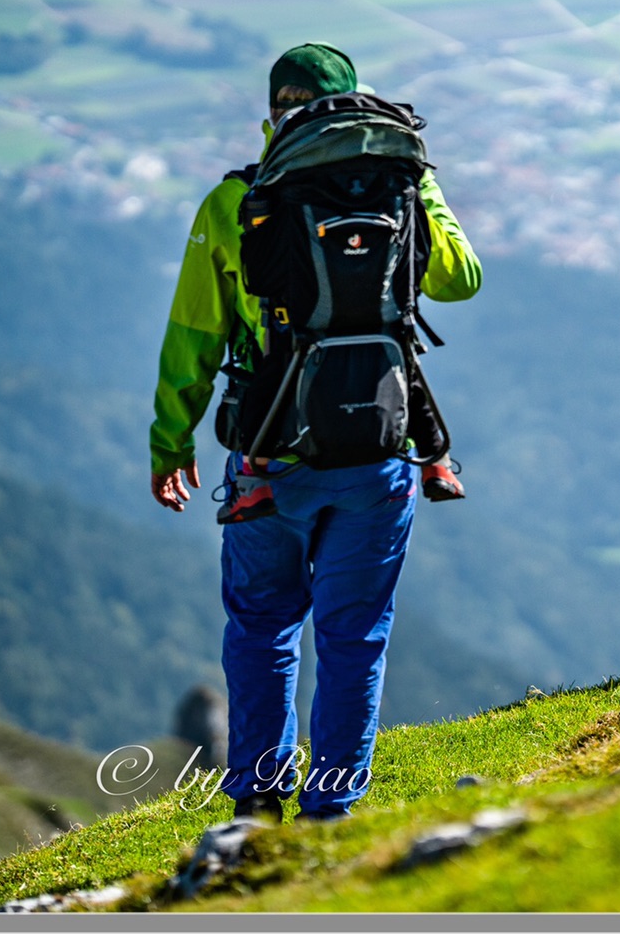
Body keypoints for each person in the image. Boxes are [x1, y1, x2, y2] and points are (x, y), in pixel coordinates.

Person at [147, 42, 482, 823]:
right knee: (354, 634)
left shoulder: (239, 203)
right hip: (381, 452)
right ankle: (333, 810)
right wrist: (420, 192)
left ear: (274, 112)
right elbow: (460, 280)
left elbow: (192, 339)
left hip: (270, 454)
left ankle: (259, 798)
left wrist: (171, 443)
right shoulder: (399, 188)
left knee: (264, 626)